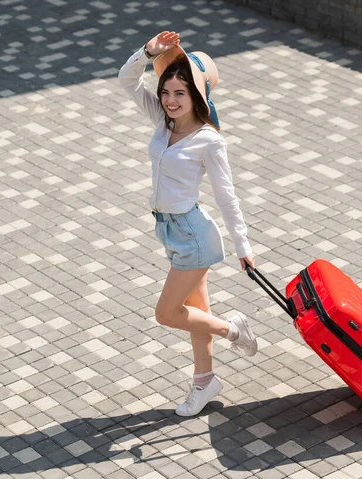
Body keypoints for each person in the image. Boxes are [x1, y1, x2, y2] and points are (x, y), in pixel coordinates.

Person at [118, 31, 257, 417]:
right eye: (166, 92)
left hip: (194, 236)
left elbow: (227, 195)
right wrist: (149, 52)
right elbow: (126, 80)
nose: (170, 100)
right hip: (170, 231)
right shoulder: (163, 123)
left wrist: (243, 247)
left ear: (196, 95)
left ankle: (234, 330)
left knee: (166, 313)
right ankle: (204, 382)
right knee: (196, 314)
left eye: (180, 93)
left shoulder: (209, 140)